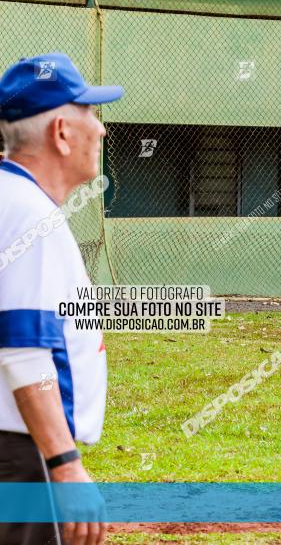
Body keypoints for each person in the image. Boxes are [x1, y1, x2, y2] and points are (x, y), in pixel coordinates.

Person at [0, 52, 124, 544]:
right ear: (61, 131)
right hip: (20, 453)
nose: (101, 130)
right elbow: (24, 351)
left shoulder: (15, 201)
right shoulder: (29, 214)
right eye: (90, 113)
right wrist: (64, 463)